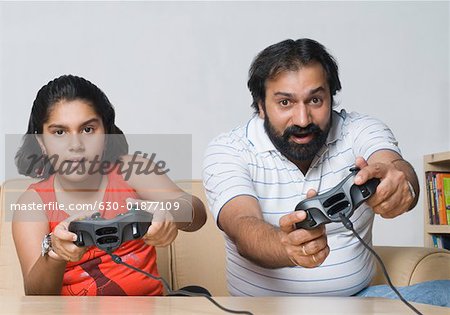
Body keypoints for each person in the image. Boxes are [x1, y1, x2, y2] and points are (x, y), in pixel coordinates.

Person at [202, 38, 450, 306]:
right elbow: (242, 226)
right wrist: (285, 245)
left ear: (331, 97)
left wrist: (403, 186)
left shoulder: (359, 129)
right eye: (285, 103)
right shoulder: (228, 149)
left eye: (315, 100)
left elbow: (393, 165)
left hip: (357, 303)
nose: (302, 119)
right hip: (263, 307)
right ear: (261, 105)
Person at [12, 75, 207, 295]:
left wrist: (170, 213)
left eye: (87, 130)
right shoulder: (33, 203)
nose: (76, 145)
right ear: (42, 143)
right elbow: (36, 295)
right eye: (59, 132)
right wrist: (56, 255)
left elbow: (196, 212)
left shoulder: (131, 169)